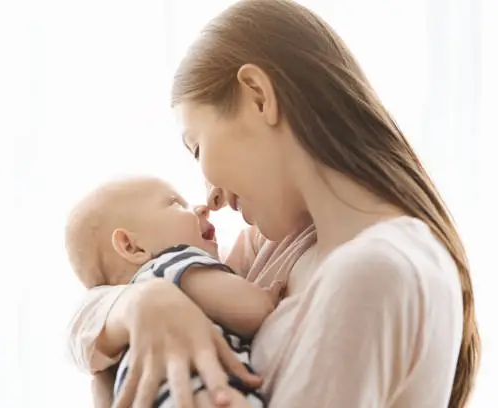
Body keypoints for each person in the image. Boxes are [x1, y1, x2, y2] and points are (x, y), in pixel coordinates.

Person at [68, 1, 480, 407]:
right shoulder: (277, 248)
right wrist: (140, 303)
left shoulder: (377, 271)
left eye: (197, 148)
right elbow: (86, 322)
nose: (208, 192)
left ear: (258, 97)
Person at [65, 177, 285, 408]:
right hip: (200, 394)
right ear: (133, 247)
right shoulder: (173, 264)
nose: (201, 208)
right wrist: (266, 297)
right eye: (175, 204)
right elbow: (249, 310)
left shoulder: (124, 333)